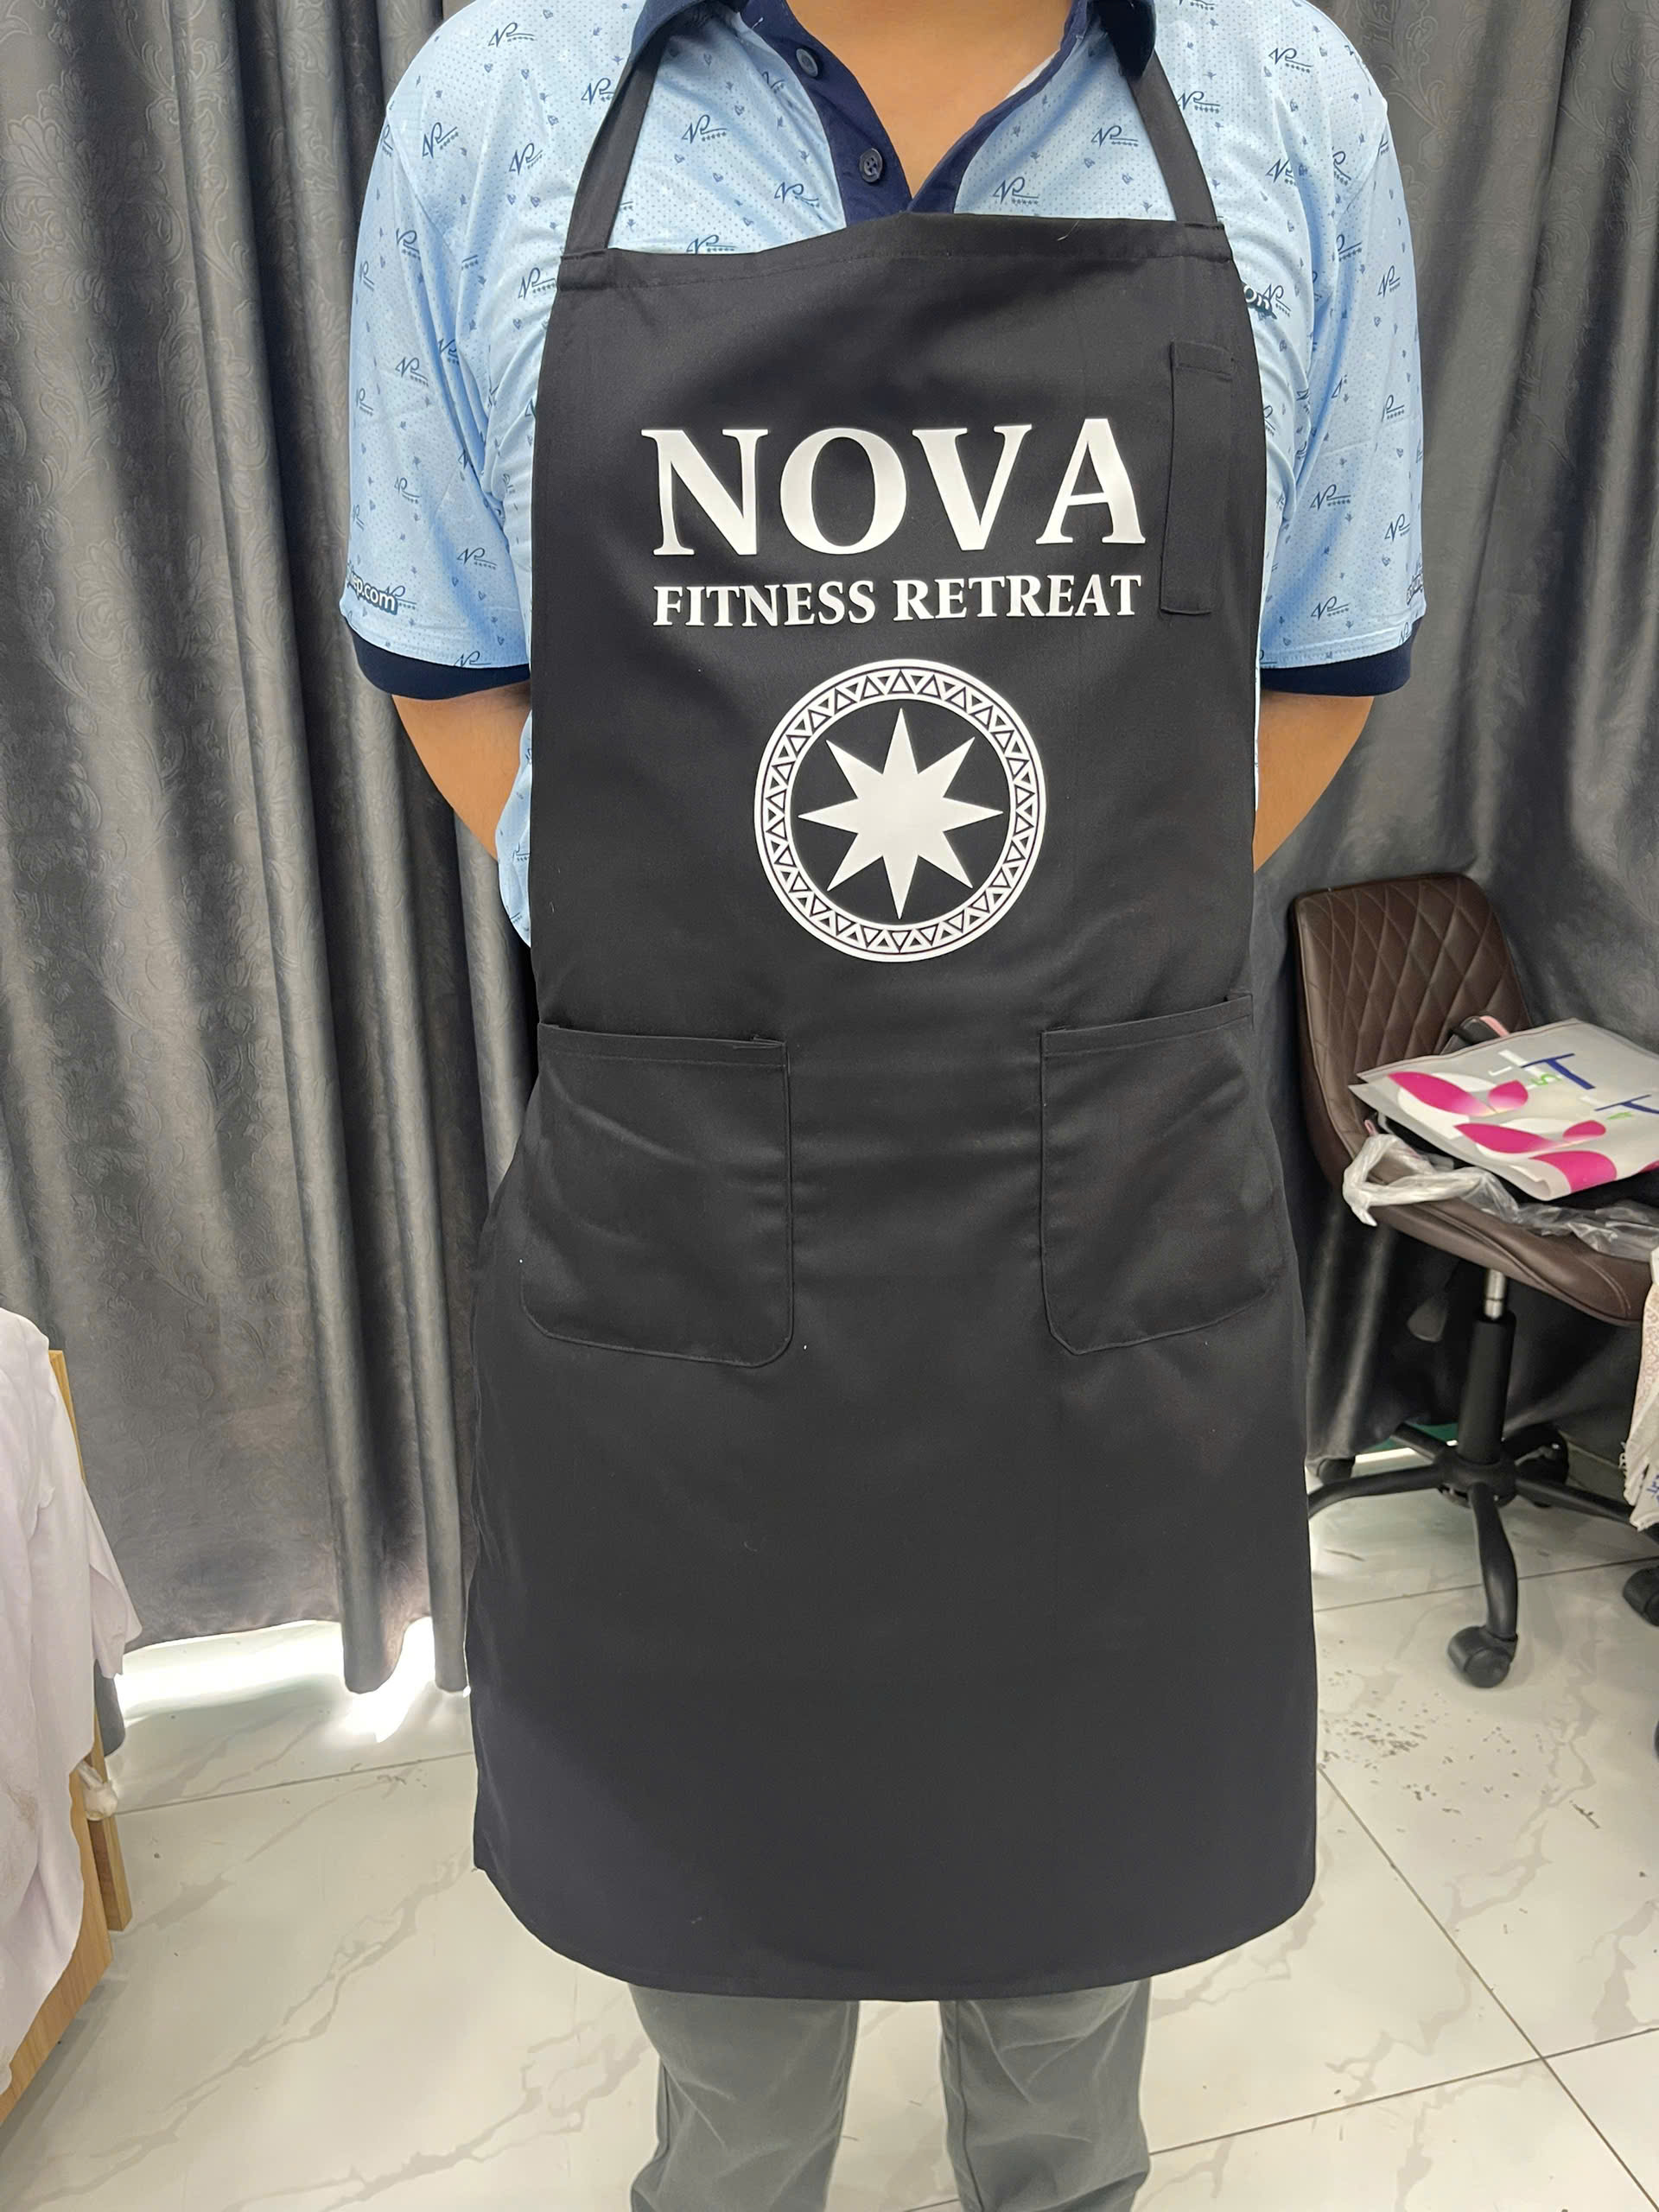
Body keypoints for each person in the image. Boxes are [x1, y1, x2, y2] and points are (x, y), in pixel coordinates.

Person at [340, 3, 1424, 2204]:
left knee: (1074, 1988)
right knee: (724, 2017)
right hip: (692, 1266)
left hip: (1095, 1246)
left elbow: (1320, 653)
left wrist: (1055, 938)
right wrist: (714, 950)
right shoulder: (501, 106)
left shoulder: (1285, 102)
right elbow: (451, 655)